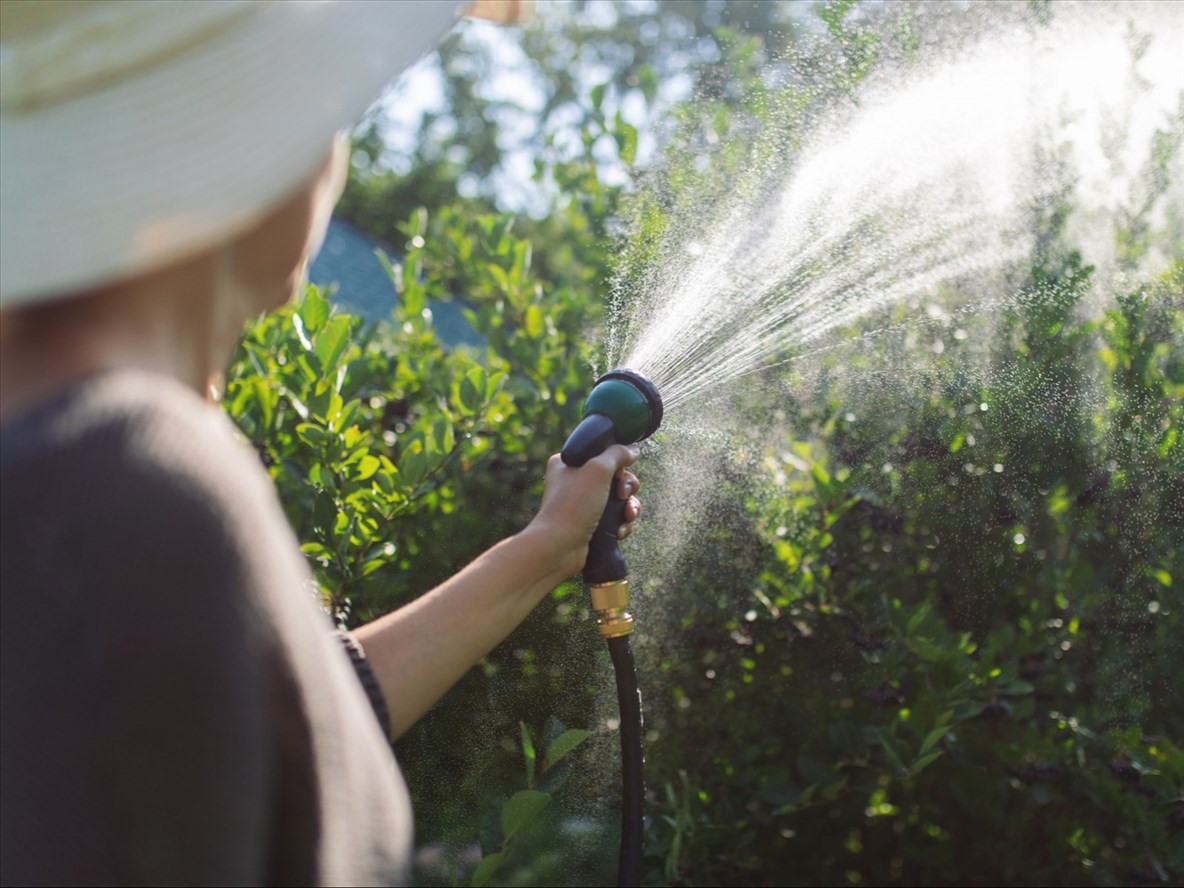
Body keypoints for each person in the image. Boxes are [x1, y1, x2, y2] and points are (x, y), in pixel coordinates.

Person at [0, 1, 640, 884]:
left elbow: (282, 739)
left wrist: (543, 550)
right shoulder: (128, 480)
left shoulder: (72, 467)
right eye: (323, 113)